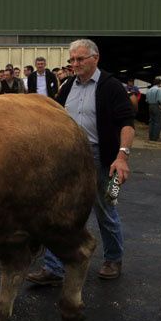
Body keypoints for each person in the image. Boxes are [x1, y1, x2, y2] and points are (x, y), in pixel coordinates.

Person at [28, 39, 134, 284]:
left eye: (80, 59)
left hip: (103, 158)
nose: (75, 64)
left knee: (106, 207)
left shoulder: (111, 86)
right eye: (72, 60)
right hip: (69, 156)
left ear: (95, 58)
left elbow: (127, 124)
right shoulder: (67, 86)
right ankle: (54, 268)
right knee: (60, 211)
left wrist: (122, 157)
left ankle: (113, 259)